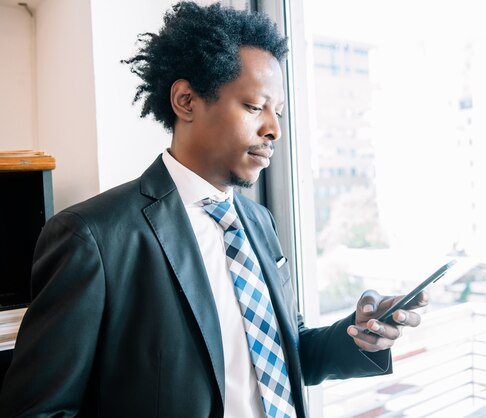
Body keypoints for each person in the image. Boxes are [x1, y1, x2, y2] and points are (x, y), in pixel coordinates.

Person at [0, 2, 426, 417]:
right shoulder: (92, 237)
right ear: (186, 100)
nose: (274, 129)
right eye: (254, 106)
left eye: (277, 112)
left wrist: (359, 336)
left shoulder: (258, 221)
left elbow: (284, 351)